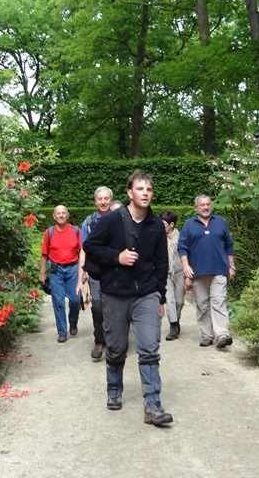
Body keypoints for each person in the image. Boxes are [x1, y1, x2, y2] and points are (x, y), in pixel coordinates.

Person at [83, 170, 172, 426]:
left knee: (149, 348)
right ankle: (114, 388)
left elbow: (161, 263)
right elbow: (91, 246)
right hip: (115, 293)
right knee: (117, 346)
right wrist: (116, 257)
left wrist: (161, 297)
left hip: (146, 294)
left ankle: (153, 405)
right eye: (140, 189)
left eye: (149, 190)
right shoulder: (112, 220)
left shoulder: (156, 225)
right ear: (130, 193)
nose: (145, 193)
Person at [178, 194, 235, 348]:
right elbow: (182, 247)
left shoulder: (220, 222)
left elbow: (229, 245)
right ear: (196, 207)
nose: (206, 207)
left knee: (218, 301)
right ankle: (206, 335)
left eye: (208, 204)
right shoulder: (189, 224)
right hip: (198, 272)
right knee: (202, 304)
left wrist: (231, 266)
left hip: (219, 270)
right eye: (202, 205)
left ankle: (222, 334)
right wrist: (186, 267)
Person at [76, 186, 113, 359]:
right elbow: (83, 250)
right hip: (97, 272)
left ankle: (115, 340)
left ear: (111, 200)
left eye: (106, 198)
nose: (103, 201)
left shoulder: (120, 219)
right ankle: (99, 341)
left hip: (117, 272)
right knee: (97, 306)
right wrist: (81, 275)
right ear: (95, 201)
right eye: (100, 199)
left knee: (115, 307)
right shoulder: (88, 223)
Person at [39, 205, 82, 343]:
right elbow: (44, 255)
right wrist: (42, 273)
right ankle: (62, 332)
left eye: (64, 213)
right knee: (58, 302)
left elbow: (82, 253)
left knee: (75, 300)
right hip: (56, 271)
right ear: (54, 216)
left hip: (73, 269)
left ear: (68, 215)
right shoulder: (49, 232)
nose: (61, 215)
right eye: (58, 213)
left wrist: (84, 271)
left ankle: (73, 322)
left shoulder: (76, 231)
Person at [159, 210, 184, 341]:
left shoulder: (182, 237)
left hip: (180, 272)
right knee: (169, 300)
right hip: (166, 273)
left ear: (172, 224)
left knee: (179, 301)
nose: (161, 226)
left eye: (163, 224)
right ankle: (173, 326)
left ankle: (177, 319)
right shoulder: (159, 238)